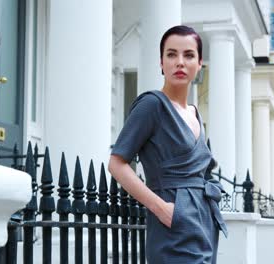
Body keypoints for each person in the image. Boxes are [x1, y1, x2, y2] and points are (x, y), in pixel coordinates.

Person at [108, 25, 227, 264]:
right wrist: (162, 209)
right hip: (172, 224)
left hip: (203, 222)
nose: (180, 62)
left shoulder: (194, 114)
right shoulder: (151, 105)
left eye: (188, 55)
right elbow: (116, 164)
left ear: (199, 63)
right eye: (171, 55)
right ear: (161, 63)